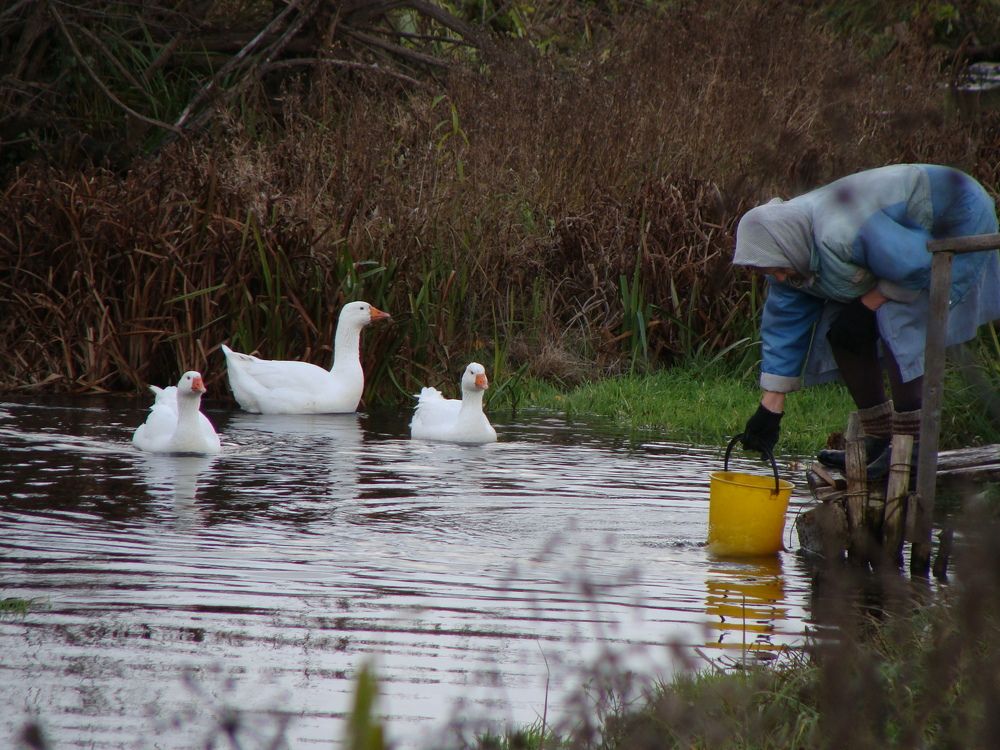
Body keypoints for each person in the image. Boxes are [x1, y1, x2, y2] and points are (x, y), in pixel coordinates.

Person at [732, 163, 1000, 478]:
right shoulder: (787, 251)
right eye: (771, 272)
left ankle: (911, 448)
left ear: (787, 246)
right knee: (843, 332)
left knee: (897, 324)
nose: (779, 277)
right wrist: (770, 408)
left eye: (778, 269)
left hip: (953, 214)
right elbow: (784, 328)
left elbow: (916, 265)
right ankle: (878, 438)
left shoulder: (842, 232)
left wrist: (869, 303)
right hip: (899, 249)